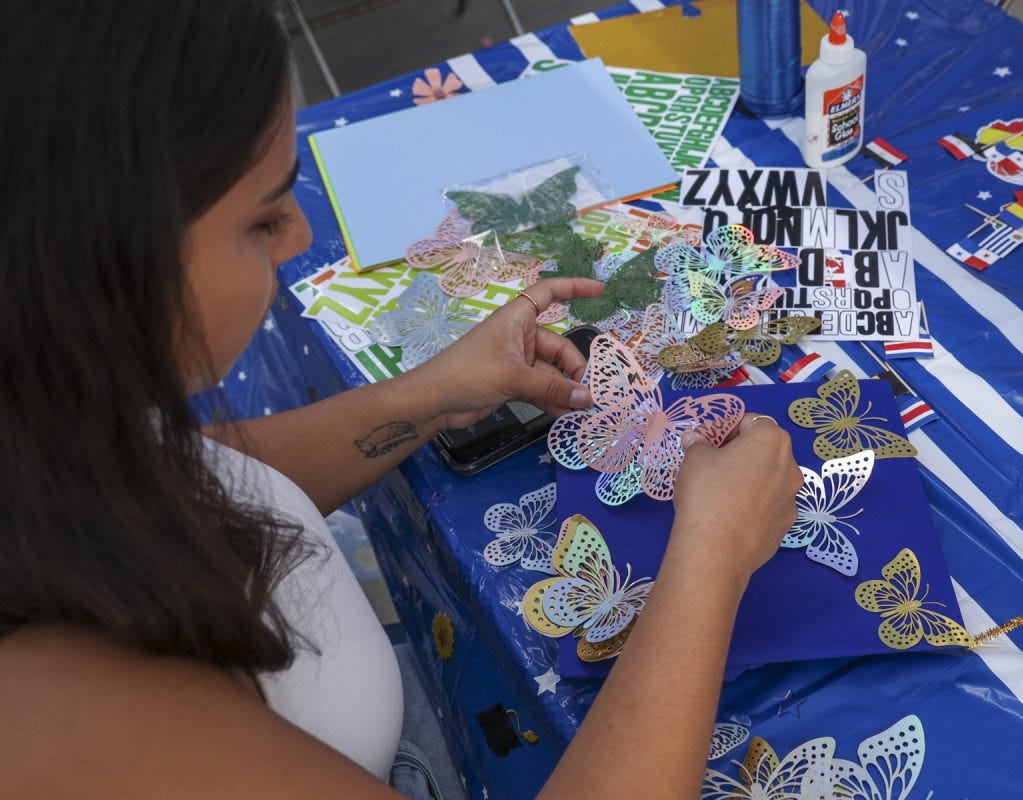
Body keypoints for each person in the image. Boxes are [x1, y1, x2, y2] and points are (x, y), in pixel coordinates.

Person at [0, 1, 803, 797]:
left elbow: (189, 478)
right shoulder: (76, 724)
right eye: (262, 219)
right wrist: (712, 556)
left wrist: (430, 395)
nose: (299, 240)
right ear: (105, 264)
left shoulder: (40, 420)